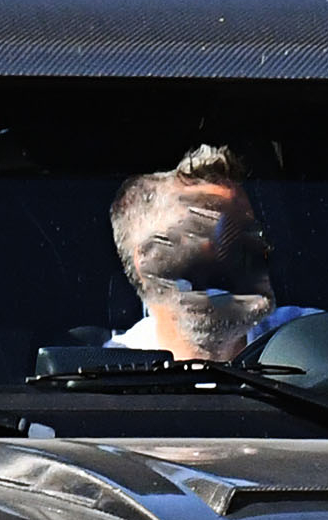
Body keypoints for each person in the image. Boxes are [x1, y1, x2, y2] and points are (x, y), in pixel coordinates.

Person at [106, 145, 311, 362]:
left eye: (253, 231)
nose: (260, 249)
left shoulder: (320, 345)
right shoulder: (103, 380)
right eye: (222, 232)